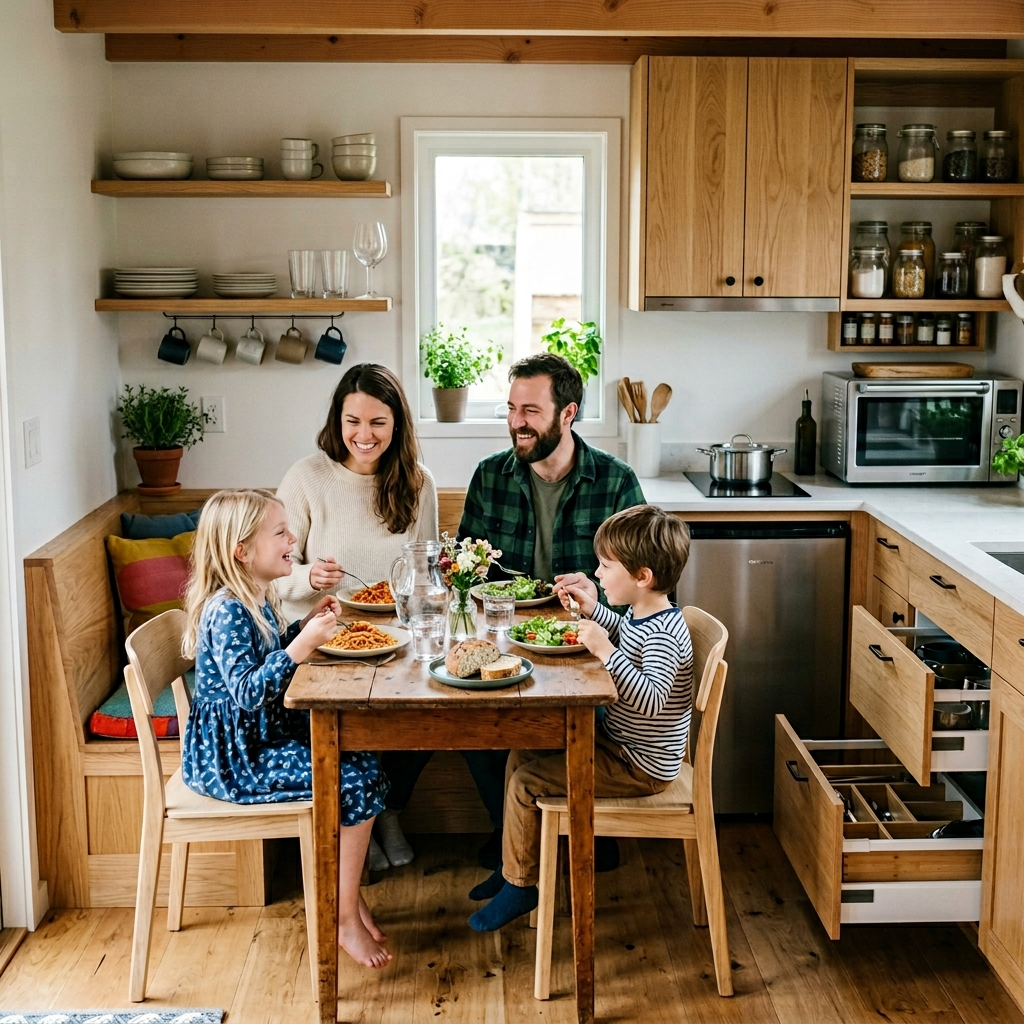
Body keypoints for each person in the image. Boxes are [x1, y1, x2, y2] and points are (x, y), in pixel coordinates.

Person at [180, 488, 391, 968]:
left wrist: (304, 627)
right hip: (236, 758)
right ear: (242, 550)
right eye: (280, 532)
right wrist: (300, 648)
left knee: (366, 757)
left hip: (259, 738)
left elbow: (268, 652)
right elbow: (250, 691)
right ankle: (341, 917)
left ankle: (346, 894)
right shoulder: (227, 609)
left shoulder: (256, 594)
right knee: (351, 779)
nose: (293, 539)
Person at [455, 353, 647, 869]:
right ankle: (514, 838)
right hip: (511, 641)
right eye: (513, 408)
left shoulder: (615, 481)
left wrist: (598, 598)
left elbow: (644, 585)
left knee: (583, 716)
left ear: (568, 414)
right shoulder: (489, 476)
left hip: (588, 650)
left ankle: (579, 830)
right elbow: (465, 574)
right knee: (471, 720)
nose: (518, 422)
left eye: (531, 410)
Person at [467, 504, 693, 931]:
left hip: (641, 765)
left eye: (606, 567)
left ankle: (521, 886)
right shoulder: (647, 614)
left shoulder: (664, 632)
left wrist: (604, 649)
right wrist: (594, 610)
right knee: (522, 754)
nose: (598, 573)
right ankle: (512, 865)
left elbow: (651, 699)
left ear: (641, 577)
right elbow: (627, 637)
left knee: (524, 783)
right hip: (621, 745)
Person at [276, 363, 437, 870]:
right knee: (348, 719)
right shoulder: (307, 477)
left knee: (430, 715)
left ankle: (387, 810)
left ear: (397, 426)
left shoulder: (418, 482)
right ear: (337, 419)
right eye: (353, 421)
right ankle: (355, 823)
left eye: (378, 423)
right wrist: (308, 579)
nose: (363, 435)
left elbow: (427, 566)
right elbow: (271, 577)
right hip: (321, 635)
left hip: (398, 632)